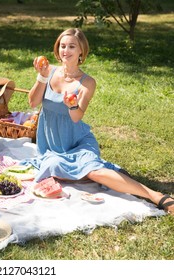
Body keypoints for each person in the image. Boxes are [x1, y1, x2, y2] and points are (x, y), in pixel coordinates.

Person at [25, 28, 174, 215]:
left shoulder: (87, 82)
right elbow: (33, 102)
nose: (66, 51)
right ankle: (95, 173)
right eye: (62, 46)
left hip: (78, 142)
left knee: (93, 172)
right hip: (52, 146)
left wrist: (71, 105)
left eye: (72, 46)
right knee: (53, 166)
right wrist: (42, 76)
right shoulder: (49, 72)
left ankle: (155, 195)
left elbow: (76, 117)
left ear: (81, 51)